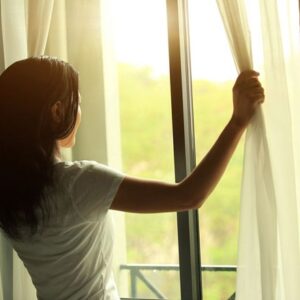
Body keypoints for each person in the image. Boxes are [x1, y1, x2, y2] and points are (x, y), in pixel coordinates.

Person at [0, 56, 264, 299]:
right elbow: (189, 195)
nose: (80, 111)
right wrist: (237, 122)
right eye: (77, 102)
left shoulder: (8, 194)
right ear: (57, 112)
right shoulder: (78, 184)